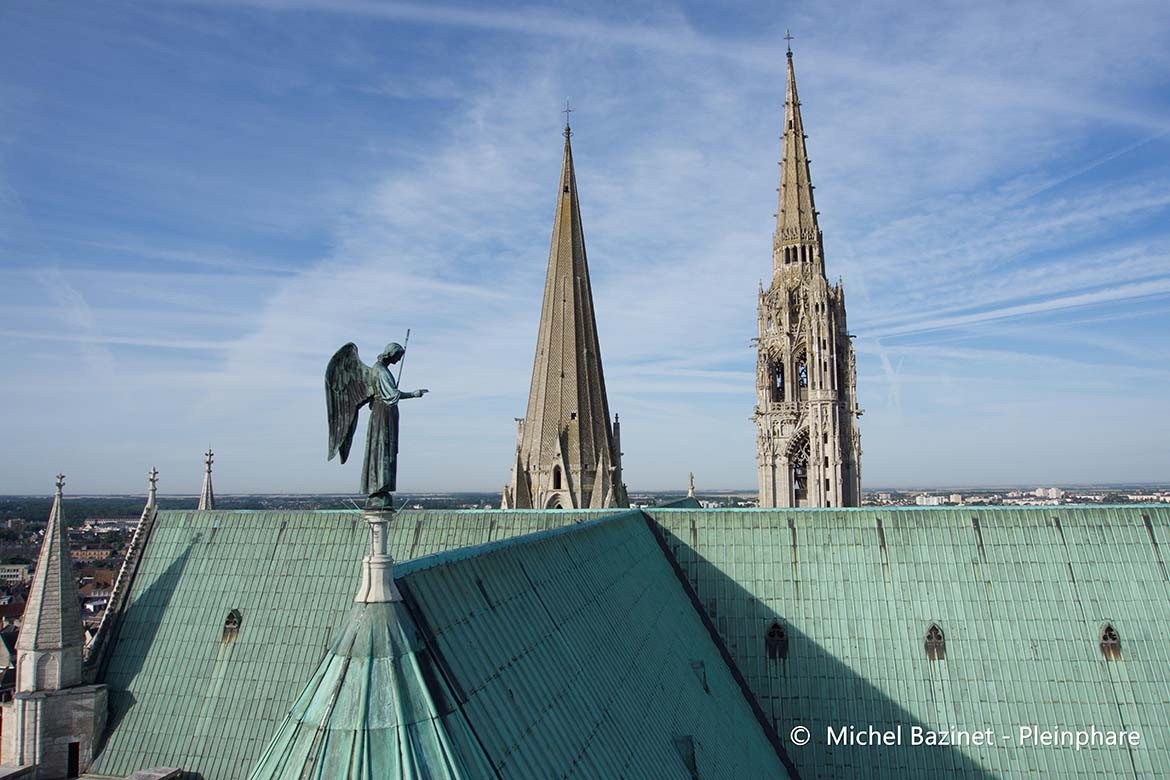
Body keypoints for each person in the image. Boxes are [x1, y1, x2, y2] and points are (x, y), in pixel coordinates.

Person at [362, 342, 428, 505]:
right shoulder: (380, 370)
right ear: (392, 354)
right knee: (382, 448)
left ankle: (379, 485)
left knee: (383, 448)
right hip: (383, 413)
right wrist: (414, 394)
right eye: (398, 357)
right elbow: (392, 395)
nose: (399, 360)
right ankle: (378, 485)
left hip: (383, 413)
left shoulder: (378, 370)